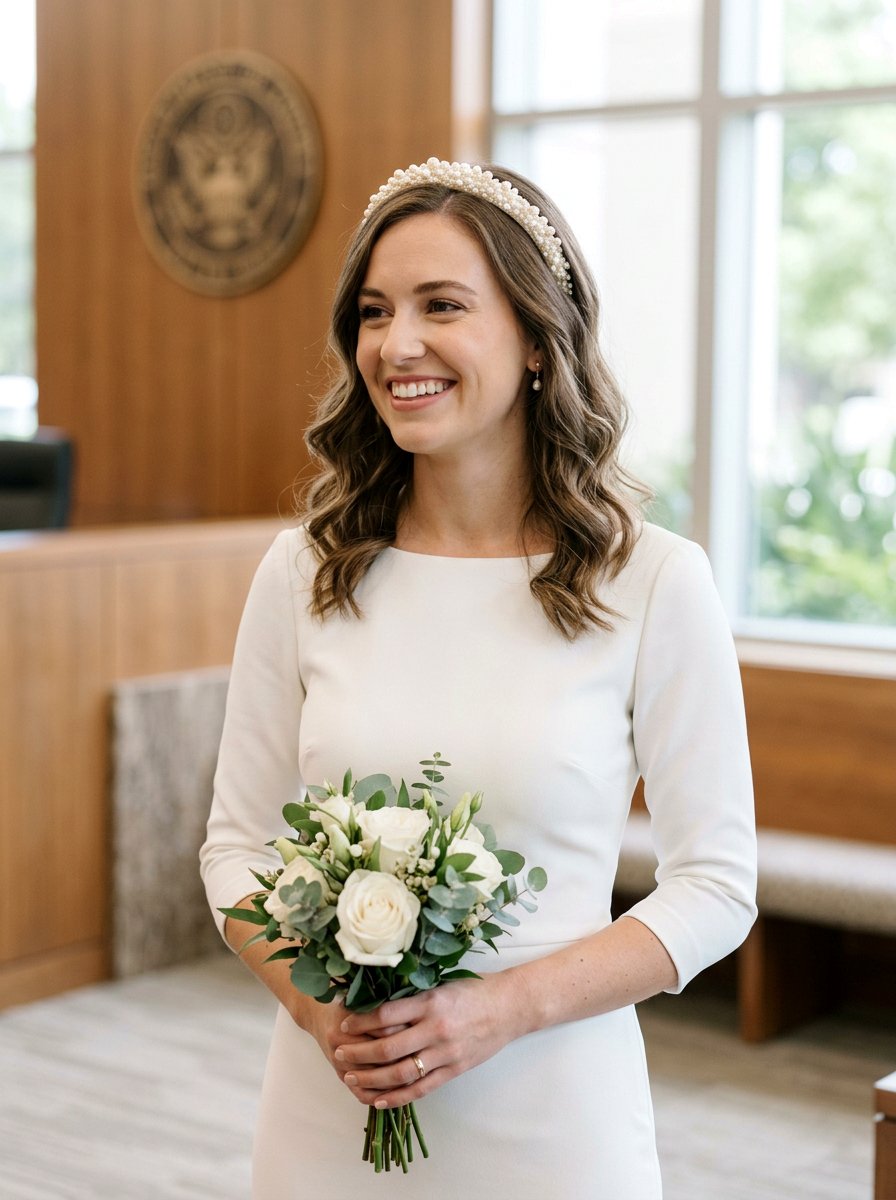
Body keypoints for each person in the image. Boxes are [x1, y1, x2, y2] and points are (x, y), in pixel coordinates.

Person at [200, 157, 757, 1199]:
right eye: (374, 312)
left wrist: (499, 1010)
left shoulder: (653, 582)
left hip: (553, 1119)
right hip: (330, 1112)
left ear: (538, 338)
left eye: (441, 305)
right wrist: (321, 1012)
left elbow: (716, 888)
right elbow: (235, 849)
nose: (395, 344)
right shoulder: (304, 571)